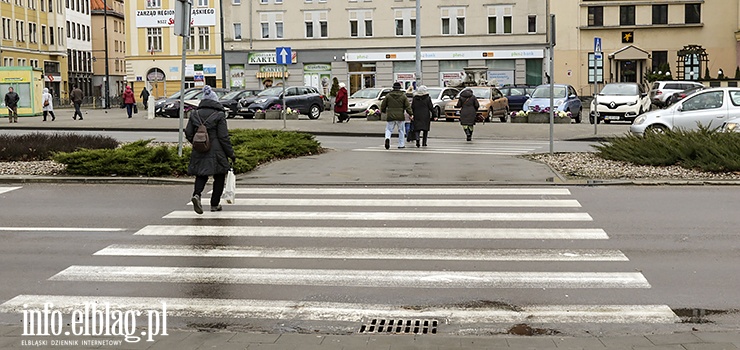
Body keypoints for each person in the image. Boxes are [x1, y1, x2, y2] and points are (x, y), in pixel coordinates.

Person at [185, 85, 236, 214]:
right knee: (219, 176)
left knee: (201, 174)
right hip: (217, 150)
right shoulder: (219, 114)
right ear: (215, 101)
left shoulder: (194, 113)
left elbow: (189, 133)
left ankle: (197, 195)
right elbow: (223, 136)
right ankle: (214, 204)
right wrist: (231, 154)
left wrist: (198, 143)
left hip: (199, 149)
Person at [380, 82, 412, 149]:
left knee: (389, 129)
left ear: (393, 88)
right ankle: (401, 144)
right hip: (400, 116)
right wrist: (411, 114)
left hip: (390, 115)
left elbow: (383, 105)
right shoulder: (403, 96)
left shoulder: (388, 95)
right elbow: (407, 106)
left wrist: (383, 111)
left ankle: (387, 138)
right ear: (400, 88)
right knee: (401, 130)